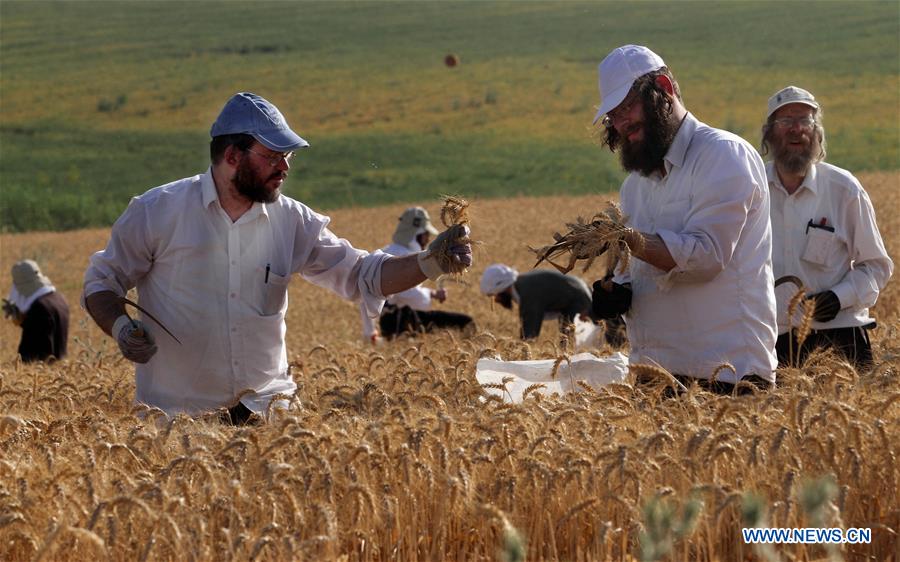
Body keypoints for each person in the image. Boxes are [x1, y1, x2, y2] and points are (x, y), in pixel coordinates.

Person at [83, 92, 472, 423]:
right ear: (233, 155)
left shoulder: (293, 220)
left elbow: (363, 275)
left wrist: (430, 263)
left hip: (271, 419)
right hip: (178, 423)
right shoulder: (157, 211)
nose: (285, 167)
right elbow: (102, 283)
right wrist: (120, 328)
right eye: (273, 156)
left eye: (288, 156)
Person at [590, 45, 777, 394]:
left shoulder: (723, 155)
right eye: (612, 116)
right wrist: (616, 292)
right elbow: (634, 269)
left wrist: (630, 239)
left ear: (663, 87)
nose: (621, 123)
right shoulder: (635, 186)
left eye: (627, 106)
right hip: (655, 376)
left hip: (726, 377)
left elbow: (707, 257)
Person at [762, 86, 893, 369]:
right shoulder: (751, 188)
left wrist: (838, 297)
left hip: (840, 337)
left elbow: (877, 266)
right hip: (772, 339)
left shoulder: (843, 189)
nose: (796, 129)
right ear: (769, 133)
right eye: (785, 121)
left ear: (817, 132)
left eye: (805, 121)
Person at [360, 207, 474, 342]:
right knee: (466, 323)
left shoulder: (384, 252)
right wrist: (432, 294)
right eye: (426, 234)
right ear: (417, 234)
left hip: (388, 322)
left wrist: (369, 331)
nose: (427, 239)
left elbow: (365, 294)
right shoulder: (405, 255)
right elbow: (410, 296)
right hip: (401, 321)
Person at [480, 264, 593, 340]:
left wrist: (518, 357)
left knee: (570, 344)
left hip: (578, 299)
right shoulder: (523, 285)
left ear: (502, 288)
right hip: (576, 294)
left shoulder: (527, 292)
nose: (496, 300)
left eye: (494, 295)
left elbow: (529, 334)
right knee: (567, 342)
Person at [3, 260, 69, 362]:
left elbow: (32, 349)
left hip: (43, 368)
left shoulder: (39, 307)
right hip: (59, 365)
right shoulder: (59, 298)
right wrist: (25, 321)